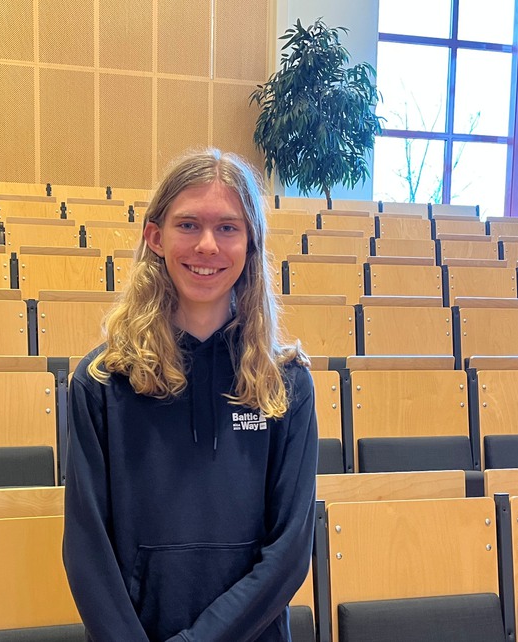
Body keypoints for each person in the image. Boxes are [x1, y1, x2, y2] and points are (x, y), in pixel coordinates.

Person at [63, 148, 318, 642]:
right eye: (188, 225)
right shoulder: (100, 381)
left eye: (227, 228)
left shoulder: (286, 384)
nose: (207, 245)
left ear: (250, 243)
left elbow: (289, 553)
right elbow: (86, 552)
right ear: (155, 237)